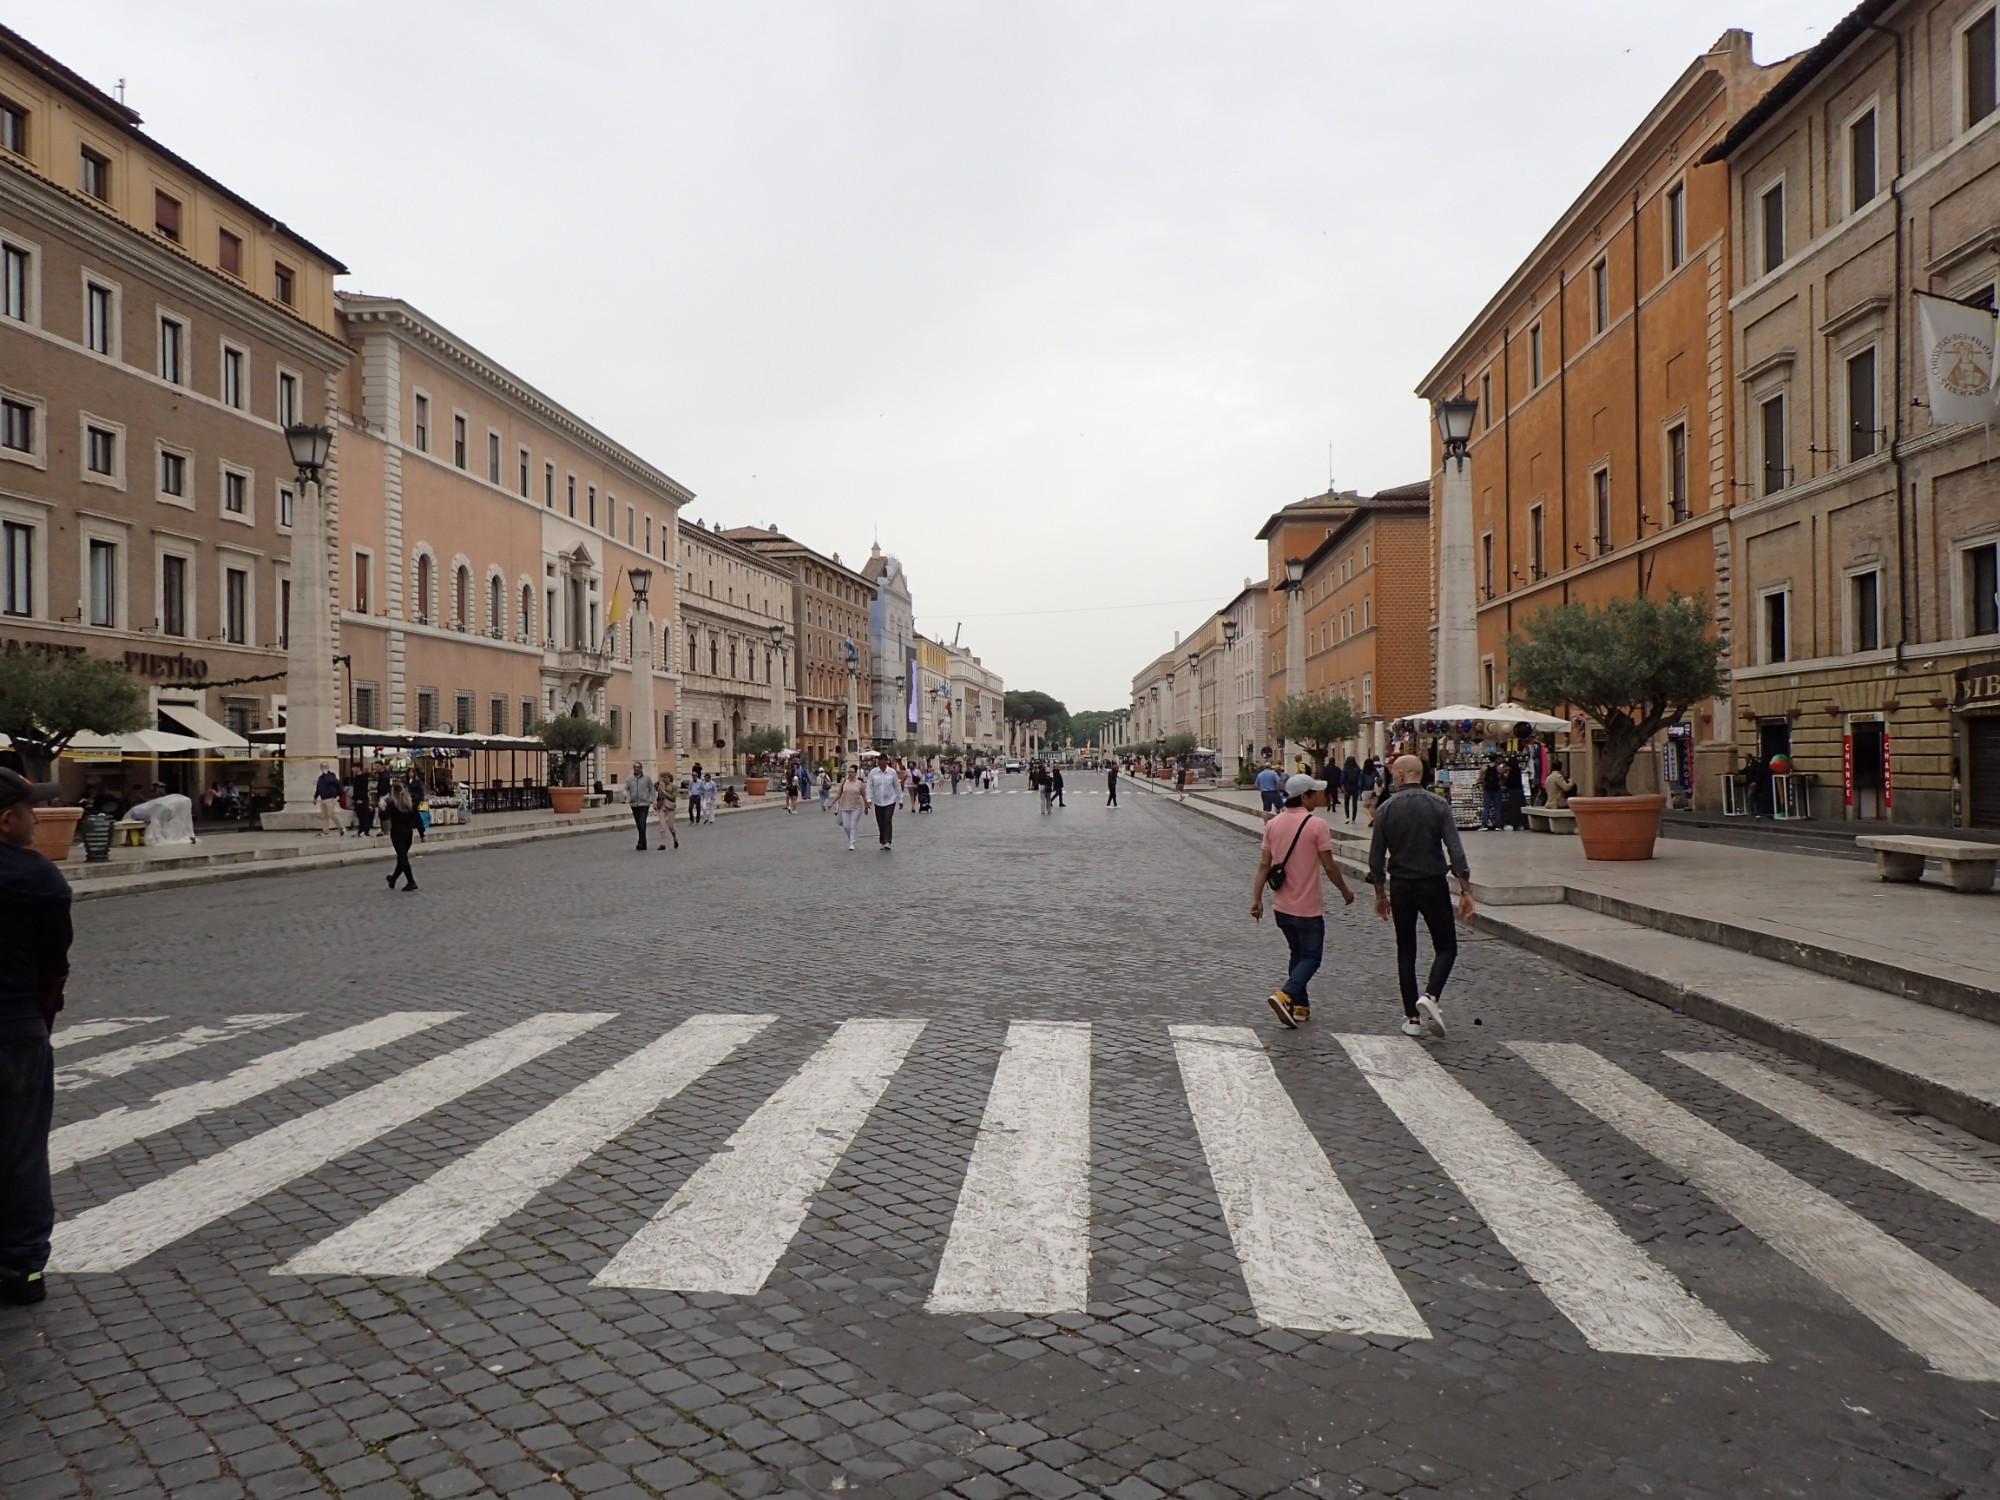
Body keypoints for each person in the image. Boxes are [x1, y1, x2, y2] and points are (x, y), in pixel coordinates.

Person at [0, 771, 72, 1307]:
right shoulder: (39, 879)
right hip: (12, 1025)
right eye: (31, 809)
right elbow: (54, 966)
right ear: (7, 821)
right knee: (21, 1149)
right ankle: (21, 1267)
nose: (37, 817)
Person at [1367, 755, 1474, 1040]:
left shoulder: (1386, 809)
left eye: (1393, 772)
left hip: (1401, 886)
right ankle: (1432, 996)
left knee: (1406, 950)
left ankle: (1412, 1018)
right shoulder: (1439, 805)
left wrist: (1380, 893)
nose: (1391, 776)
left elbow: (1375, 858)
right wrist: (1466, 889)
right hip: (1432, 884)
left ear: (1401, 774)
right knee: (1446, 946)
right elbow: (1456, 851)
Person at [1249, 773, 1355, 1029]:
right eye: (1314, 793)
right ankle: (1286, 994)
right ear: (1303, 796)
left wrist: (1256, 899)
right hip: (1307, 907)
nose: (1319, 796)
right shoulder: (1316, 824)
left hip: (1282, 907)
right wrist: (1345, 891)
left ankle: (1301, 1006)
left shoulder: (1273, 825)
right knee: (1312, 957)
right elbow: (1329, 866)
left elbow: (1264, 864)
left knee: (1297, 954)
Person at [379, 775, 422, 892]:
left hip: (397, 834)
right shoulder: (408, 804)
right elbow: (417, 818)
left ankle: (411, 881)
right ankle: (392, 879)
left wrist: (381, 807)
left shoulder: (392, 805)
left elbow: (383, 817)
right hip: (408, 833)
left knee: (402, 858)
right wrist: (422, 833)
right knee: (401, 858)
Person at [866, 756, 903, 850]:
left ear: (886, 762)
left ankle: (888, 841)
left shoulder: (892, 772)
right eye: (879, 762)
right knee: (880, 821)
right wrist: (869, 799)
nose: (880, 764)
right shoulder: (873, 773)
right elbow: (869, 786)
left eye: (882, 762)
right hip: (878, 801)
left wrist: (900, 799)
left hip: (890, 800)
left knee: (887, 819)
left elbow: (897, 786)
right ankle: (882, 840)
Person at [832, 765, 868, 851]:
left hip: (856, 807)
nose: (850, 773)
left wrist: (866, 806)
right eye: (849, 772)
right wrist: (832, 803)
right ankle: (851, 838)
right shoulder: (844, 782)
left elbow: (864, 795)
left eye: (852, 772)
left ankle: (852, 842)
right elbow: (838, 793)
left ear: (856, 773)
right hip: (845, 807)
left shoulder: (859, 783)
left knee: (852, 825)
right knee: (846, 826)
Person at [624, 762, 655, 850]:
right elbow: (626, 788)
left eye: (638, 767)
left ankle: (641, 842)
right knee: (638, 824)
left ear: (641, 768)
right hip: (634, 804)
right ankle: (643, 842)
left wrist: (654, 801)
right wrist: (625, 794)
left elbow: (652, 790)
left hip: (644, 804)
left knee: (642, 823)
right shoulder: (630, 779)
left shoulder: (647, 778)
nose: (636, 769)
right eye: (634, 767)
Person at [313, 763, 345, 836]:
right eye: (322, 766)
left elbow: (330, 781)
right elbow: (318, 788)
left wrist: (326, 774)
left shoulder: (331, 775)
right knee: (324, 815)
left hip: (330, 798)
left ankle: (340, 828)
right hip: (323, 798)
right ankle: (325, 831)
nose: (323, 768)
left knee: (331, 814)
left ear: (328, 767)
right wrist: (315, 797)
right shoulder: (320, 778)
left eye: (325, 766)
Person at [651, 771, 680, 850]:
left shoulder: (674, 786)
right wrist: (656, 804)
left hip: (670, 807)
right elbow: (658, 796)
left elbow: (673, 798)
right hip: (662, 807)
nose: (664, 779)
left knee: (671, 826)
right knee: (662, 824)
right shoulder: (660, 786)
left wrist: (664, 791)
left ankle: (675, 838)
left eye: (665, 777)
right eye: (662, 777)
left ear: (669, 778)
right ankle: (662, 844)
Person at [351, 764, 377, 838]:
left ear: (358, 768)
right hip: (357, 799)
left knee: (364, 815)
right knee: (360, 815)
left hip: (362, 799)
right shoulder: (356, 777)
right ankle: (361, 830)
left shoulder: (363, 777)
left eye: (354, 767)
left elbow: (362, 789)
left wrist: (360, 799)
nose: (352, 769)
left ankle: (366, 831)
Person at [1478, 755, 1503, 832]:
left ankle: (1484, 825)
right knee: (1498, 807)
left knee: (1486, 807)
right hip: (1496, 789)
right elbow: (1501, 778)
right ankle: (1498, 825)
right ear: (1496, 759)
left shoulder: (1484, 768)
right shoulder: (1499, 768)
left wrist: (1482, 784)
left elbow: (1480, 778)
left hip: (1487, 789)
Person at [1340, 756, 1362, 823]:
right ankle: (1353, 819)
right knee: (1354, 803)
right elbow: (1360, 778)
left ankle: (1347, 817)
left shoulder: (1345, 768)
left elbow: (1342, 779)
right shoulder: (1357, 768)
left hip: (1347, 788)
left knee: (1346, 803)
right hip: (1356, 788)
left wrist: (1343, 788)